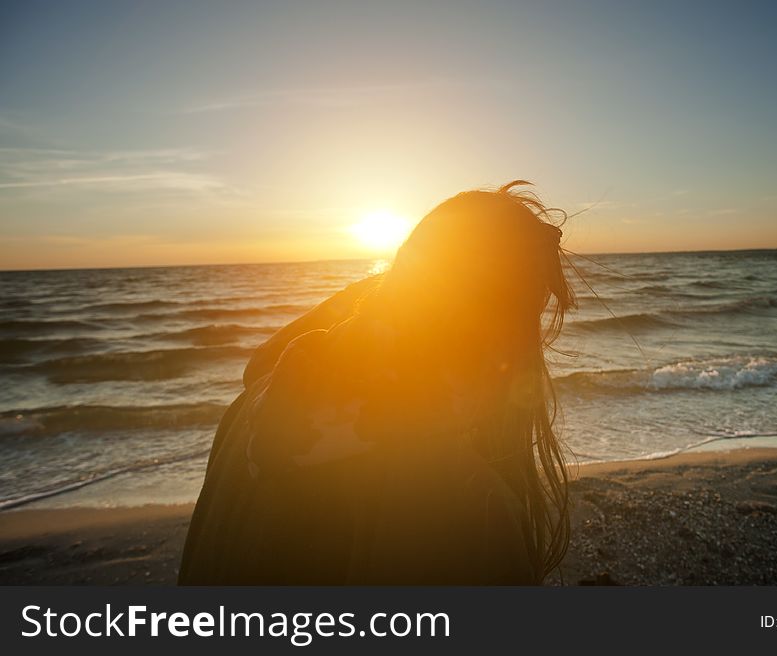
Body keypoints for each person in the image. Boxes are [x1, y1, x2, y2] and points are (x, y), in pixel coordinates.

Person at [178, 181, 576, 585]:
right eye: (532, 313)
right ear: (509, 329)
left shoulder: (246, 415)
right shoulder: (465, 504)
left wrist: (397, 284)